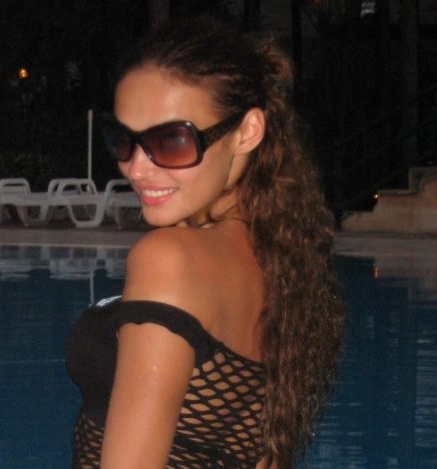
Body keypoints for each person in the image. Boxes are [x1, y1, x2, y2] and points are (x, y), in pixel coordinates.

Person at [66, 17, 345, 469]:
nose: (137, 168)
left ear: (247, 132)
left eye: (172, 141)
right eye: (124, 140)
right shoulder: (286, 257)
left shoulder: (169, 258)